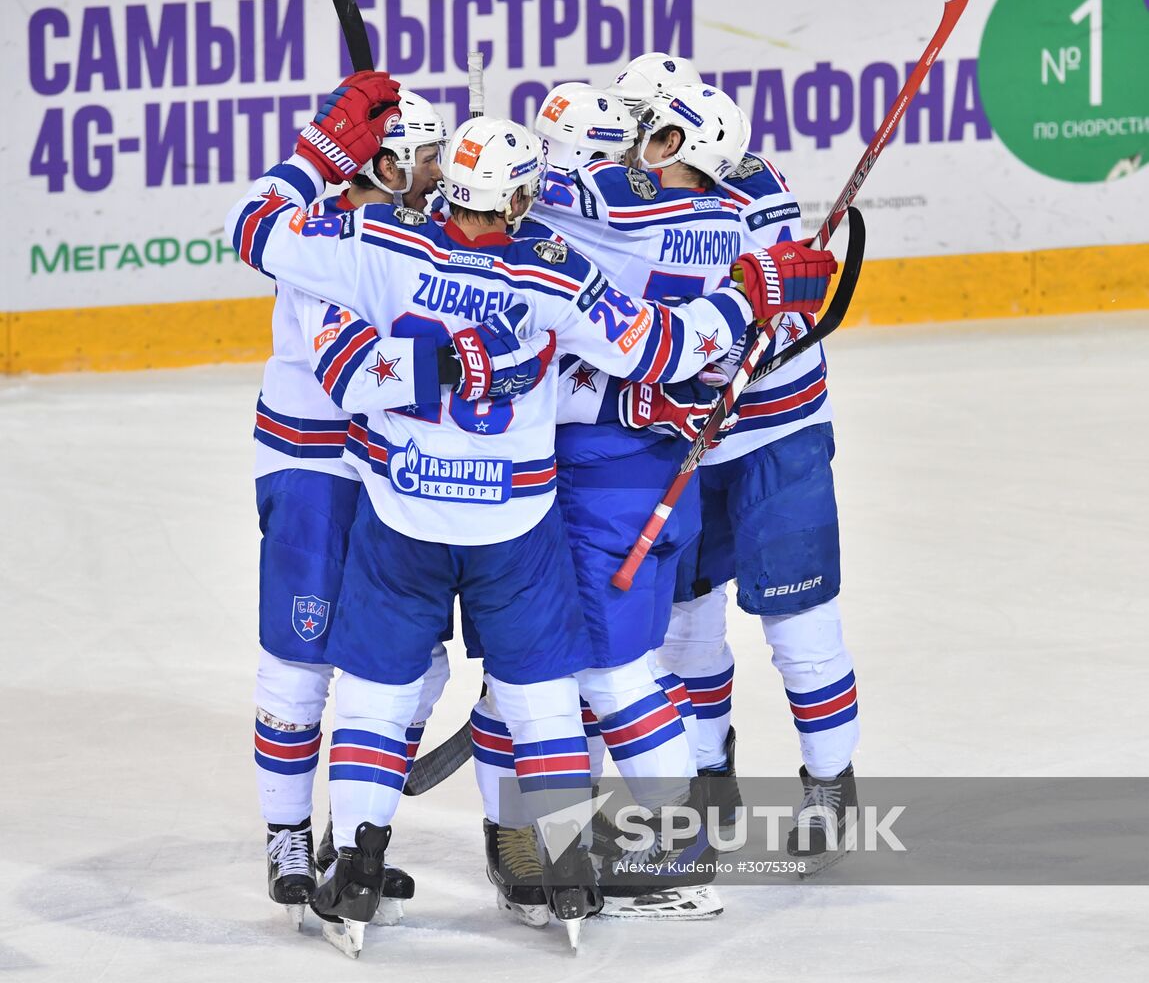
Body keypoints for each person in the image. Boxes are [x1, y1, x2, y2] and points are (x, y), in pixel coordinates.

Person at [225, 69, 837, 954]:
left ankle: (360, 856)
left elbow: (282, 271)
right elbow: (660, 348)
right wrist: (749, 293)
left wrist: (314, 159)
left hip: (402, 510)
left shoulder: (373, 240)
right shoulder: (557, 263)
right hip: (519, 522)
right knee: (547, 688)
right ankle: (565, 859)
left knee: (381, 687)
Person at [249, 89, 550, 930]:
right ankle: (287, 837)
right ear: (385, 165)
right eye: (426, 157)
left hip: (403, 477)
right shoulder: (333, 241)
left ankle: (360, 836)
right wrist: (467, 367)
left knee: (420, 666)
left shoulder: (420, 238)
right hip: (317, 465)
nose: (442, 170)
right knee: (301, 656)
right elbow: (353, 372)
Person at [471, 79, 755, 924]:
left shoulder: (611, 215)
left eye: (650, 136)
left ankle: (671, 850)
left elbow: (575, 209)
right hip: (642, 469)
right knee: (549, 667)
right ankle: (531, 841)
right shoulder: (718, 217)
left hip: (599, 475)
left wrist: (475, 174)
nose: (635, 151)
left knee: (598, 667)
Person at [608, 53, 860, 873]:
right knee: (683, 624)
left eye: (640, 126)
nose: (627, 141)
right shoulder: (625, 195)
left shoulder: (751, 187)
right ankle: (708, 780)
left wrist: (740, 345)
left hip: (776, 435)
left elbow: (791, 303)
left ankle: (829, 784)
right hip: (681, 435)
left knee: (798, 619)